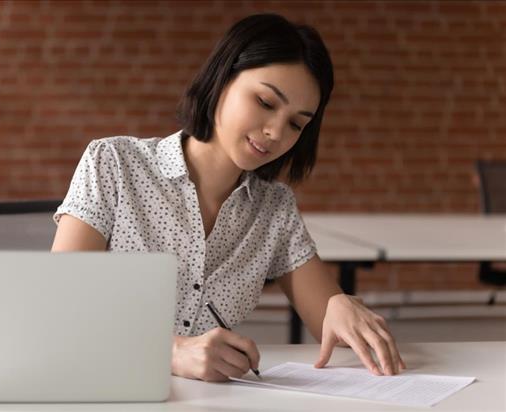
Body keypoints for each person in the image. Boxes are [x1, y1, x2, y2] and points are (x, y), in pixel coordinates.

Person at [52, 13, 405, 382]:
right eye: (266, 102)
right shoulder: (114, 164)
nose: (275, 133)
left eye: (296, 124)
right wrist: (169, 352)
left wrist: (340, 308)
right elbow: (59, 310)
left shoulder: (274, 209)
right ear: (222, 80)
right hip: (98, 389)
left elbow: (333, 331)